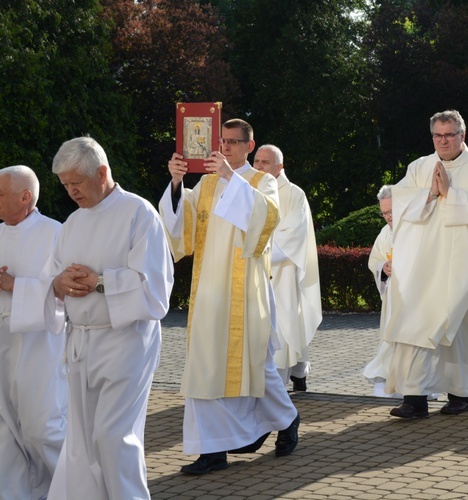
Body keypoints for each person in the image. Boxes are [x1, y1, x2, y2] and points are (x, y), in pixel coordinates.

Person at [159, 119, 300, 476]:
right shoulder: (204, 184)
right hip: (207, 289)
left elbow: (265, 220)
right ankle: (212, 450)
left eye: (234, 143)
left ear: (249, 146)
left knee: (255, 364)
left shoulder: (261, 181)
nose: (226, 149)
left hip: (245, 290)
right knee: (204, 367)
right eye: (222, 142)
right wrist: (177, 183)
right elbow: (181, 231)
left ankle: (287, 419)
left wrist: (228, 177)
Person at [46, 137, 173, 499]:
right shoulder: (71, 223)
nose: (71, 192)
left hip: (125, 341)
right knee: (83, 442)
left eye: (77, 183)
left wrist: (101, 282)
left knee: (113, 437)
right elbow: (51, 276)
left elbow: (156, 289)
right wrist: (59, 283)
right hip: (81, 343)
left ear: (102, 173)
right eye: (66, 185)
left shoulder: (139, 213)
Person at [384, 110, 468, 418]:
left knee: (459, 331)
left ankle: (460, 394)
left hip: (460, 264)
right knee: (413, 326)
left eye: (449, 135)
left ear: (463, 135)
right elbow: (402, 205)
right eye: (438, 135)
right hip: (422, 264)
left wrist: (451, 193)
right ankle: (414, 398)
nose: (443, 140)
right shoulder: (419, 167)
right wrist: (431, 193)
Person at [0, 165, 66, 499]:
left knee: (42, 429)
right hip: (3, 346)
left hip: (40, 346)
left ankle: (70, 488)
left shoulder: (56, 234)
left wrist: (15, 286)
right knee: (6, 432)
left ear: (25, 197)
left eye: (0, 194)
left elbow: (64, 292)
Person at [252, 144, 322, 392]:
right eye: (257, 161)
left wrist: (256, 252)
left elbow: (292, 236)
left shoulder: (294, 194)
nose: (258, 166)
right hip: (252, 270)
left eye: (265, 162)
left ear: (280, 167)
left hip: (282, 272)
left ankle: (291, 377)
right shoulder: (249, 189)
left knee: (286, 324)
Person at [364, 185, 397, 397]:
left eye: (390, 212)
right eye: (384, 213)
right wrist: (383, 267)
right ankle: (389, 378)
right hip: (393, 299)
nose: (387, 217)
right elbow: (374, 260)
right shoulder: (385, 233)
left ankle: (419, 386)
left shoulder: (418, 228)